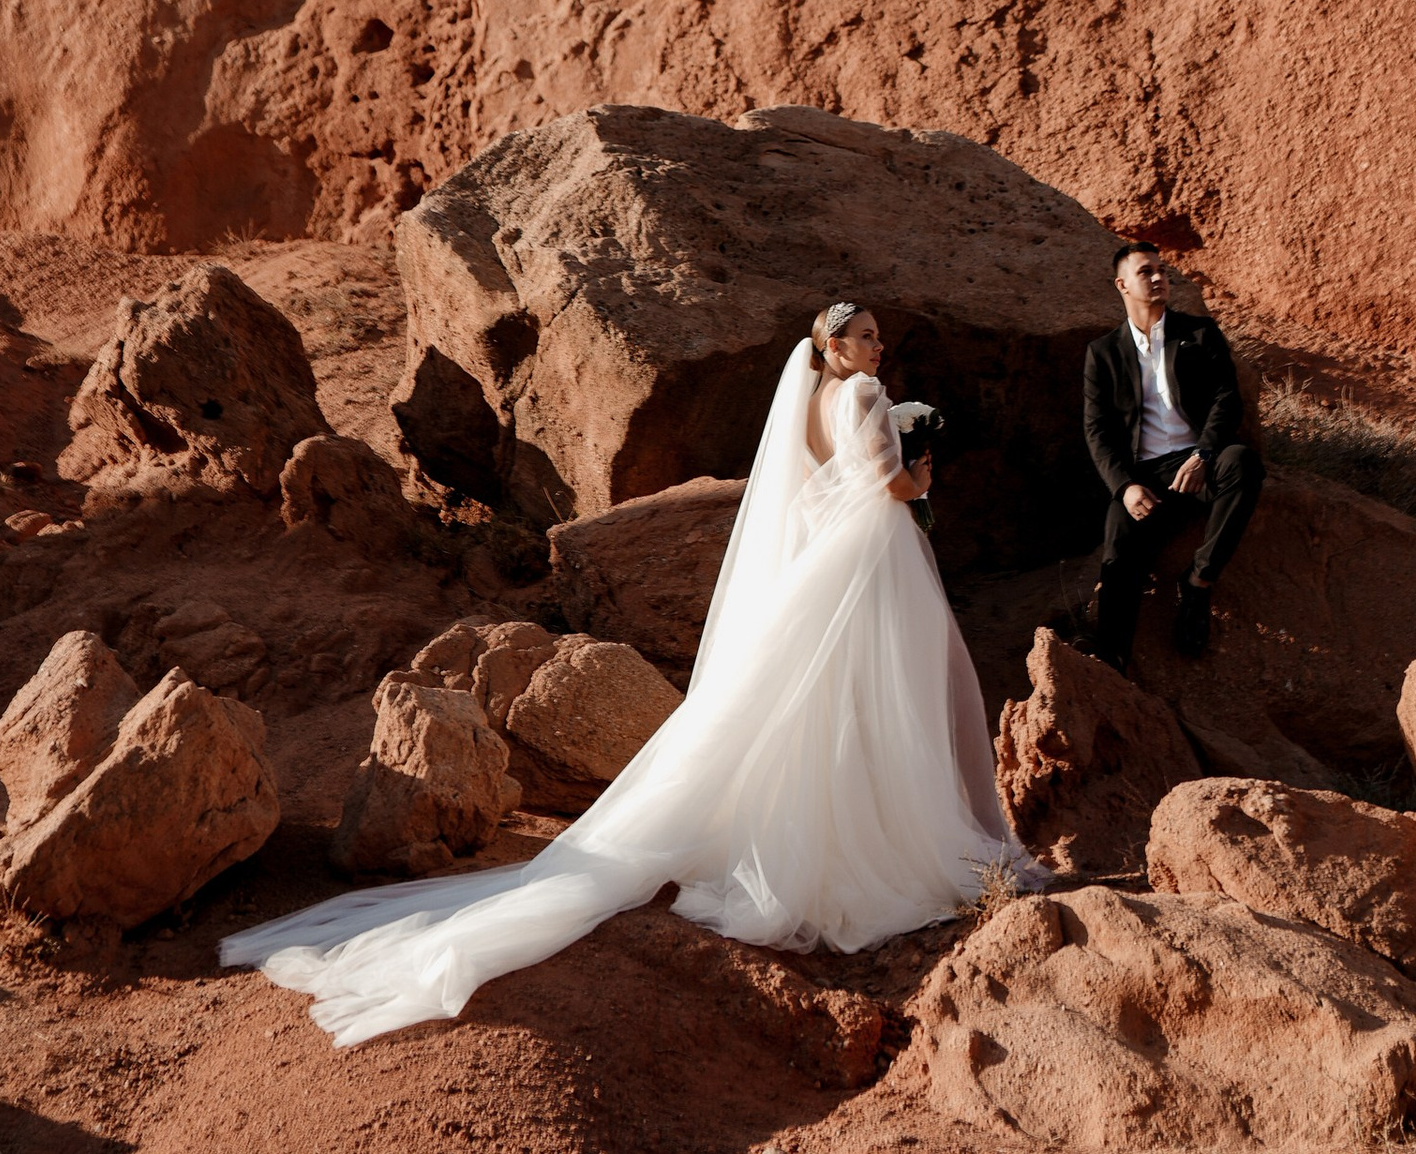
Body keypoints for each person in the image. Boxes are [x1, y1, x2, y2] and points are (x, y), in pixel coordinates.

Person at [221, 301, 1031, 1045]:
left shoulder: (814, 401)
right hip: (868, 559)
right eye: (864, 337)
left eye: (878, 338)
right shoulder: (863, 396)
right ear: (833, 345)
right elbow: (886, 483)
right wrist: (922, 476)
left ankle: (827, 828)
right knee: (879, 686)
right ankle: (879, 833)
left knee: (823, 692)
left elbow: (822, 482)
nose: (876, 347)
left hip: (827, 558)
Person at [1080, 245, 1263, 665]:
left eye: (1162, 270)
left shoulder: (1199, 332)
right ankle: (1112, 662)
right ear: (1122, 284)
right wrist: (1124, 487)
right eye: (1146, 272)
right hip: (1145, 478)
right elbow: (1097, 430)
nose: (1159, 277)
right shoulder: (1103, 353)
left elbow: (1227, 400)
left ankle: (1198, 581)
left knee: (1242, 464)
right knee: (1119, 543)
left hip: (1201, 463)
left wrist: (1203, 454)